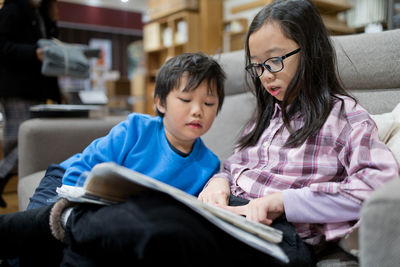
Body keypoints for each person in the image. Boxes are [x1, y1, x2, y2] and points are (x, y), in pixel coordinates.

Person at [1, 0, 399, 266]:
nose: (265, 76)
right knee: (137, 216)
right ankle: (56, 227)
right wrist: (220, 183)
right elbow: (233, 164)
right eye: (257, 67)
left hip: (278, 235)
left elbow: (379, 186)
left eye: (274, 61)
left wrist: (282, 202)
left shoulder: (344, 116)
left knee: (149, 221)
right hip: (229, 213)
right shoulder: (268, 117)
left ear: (310, 50)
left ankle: (46, 225)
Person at [0, 51, 226, 266]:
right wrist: (81, 208)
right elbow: (83, 166)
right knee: (36, 237)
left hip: (117, 212)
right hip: (67, 182)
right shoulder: (136, 129)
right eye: (186, 99)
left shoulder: (208, 165)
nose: (198, 111)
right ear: (160, 103)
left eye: (209, 104)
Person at [0, 0, 61, 207]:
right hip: (18, 89)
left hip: (36, 91)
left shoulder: (40, 16)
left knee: (23, 142)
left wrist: (52, 21)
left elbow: (50, 48)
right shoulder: (12, 11)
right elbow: (3, 47)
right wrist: (33, 53)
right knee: (21, 142)